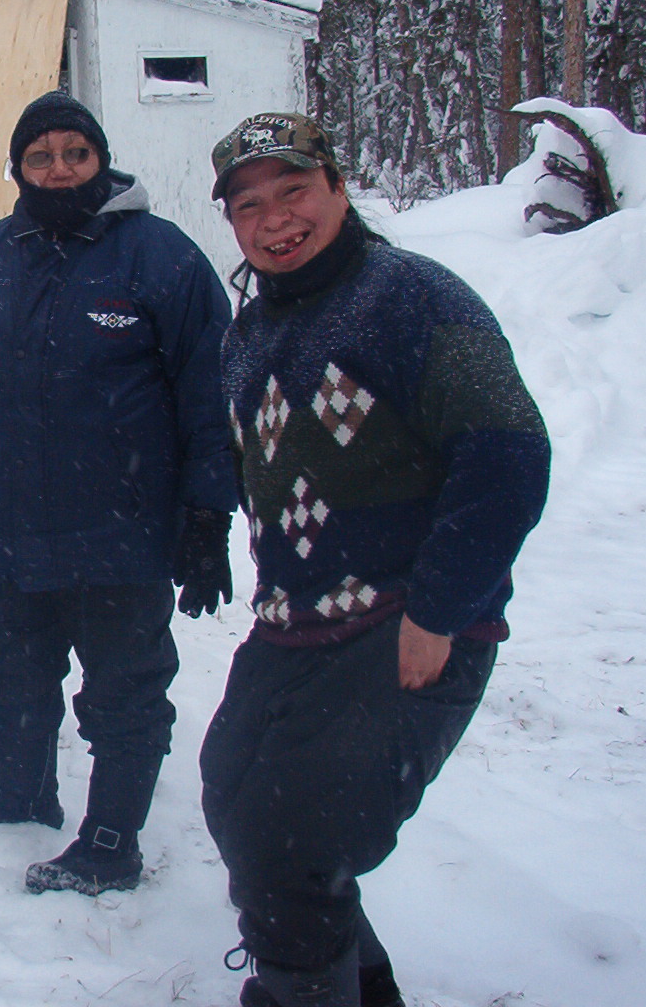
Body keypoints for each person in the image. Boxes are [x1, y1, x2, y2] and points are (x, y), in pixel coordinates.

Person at [199, 113, 551, 1007]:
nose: (275, 220)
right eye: (250, 206)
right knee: (237, 799)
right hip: (295, 628)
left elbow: (508, 452)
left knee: (296, 845)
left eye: (293, 192)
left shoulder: (412, 296)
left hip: (408, 620)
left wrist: (440, 610)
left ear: (338, 186)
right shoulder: (249, 337)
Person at [0, 90, 238, 895]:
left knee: (124, 690)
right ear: (19, 167)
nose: (58, 169)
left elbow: (210, 395)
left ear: (100, 159)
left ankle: (112, 842)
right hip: (5, 520)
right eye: (41, 156)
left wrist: (208, 511)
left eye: (74, 154)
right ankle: (21, 795)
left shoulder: (162, 257)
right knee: (10, 669)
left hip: (120, 532)